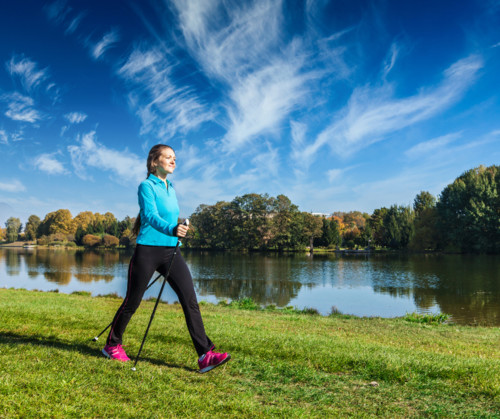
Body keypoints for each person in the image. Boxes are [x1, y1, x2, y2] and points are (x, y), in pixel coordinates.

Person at [102, 144, 230, 373]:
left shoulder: (171, 187)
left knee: (190, 300)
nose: (173, 161)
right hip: (147, 251)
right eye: (168, 157)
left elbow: (170, 219)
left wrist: (179, 229)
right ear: (154, 162)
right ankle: (112, 345)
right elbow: (150, 216)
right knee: (132, 302)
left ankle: (205, 355)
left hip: (172, 251)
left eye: (174, 158)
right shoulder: (146, 186)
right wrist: (172, 228)